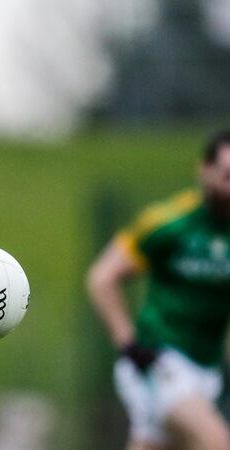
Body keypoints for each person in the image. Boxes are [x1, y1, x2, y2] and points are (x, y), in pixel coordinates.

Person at [87, 130, 230, 450]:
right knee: (217, 441)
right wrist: (126, 341)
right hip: (162, 359)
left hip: (206, 365)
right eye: (226, 176)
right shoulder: (169, 224)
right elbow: (103, 277)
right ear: (203, 170)